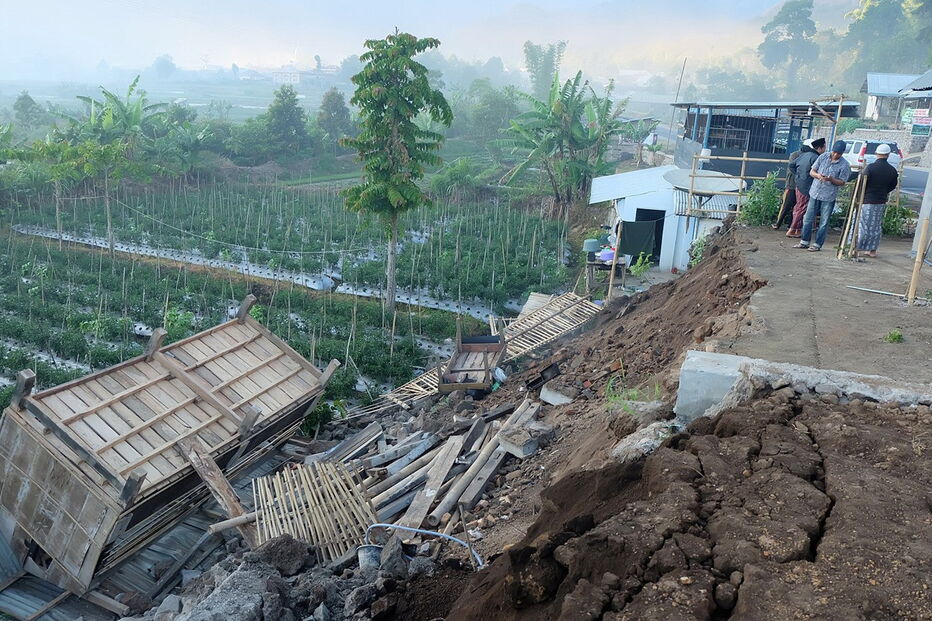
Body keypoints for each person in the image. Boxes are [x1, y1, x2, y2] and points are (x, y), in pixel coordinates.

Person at [794, 140, 851, 252]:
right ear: (832, 149)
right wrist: (819, 176)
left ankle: (817, 244)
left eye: (838, 153)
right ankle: (804, 241)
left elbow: (842, 182)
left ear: (842, 153)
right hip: (815, 192)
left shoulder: (844, 165)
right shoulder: (823, 157)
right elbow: (812, 171)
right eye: (834, 152)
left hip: (828, 196)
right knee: (807, 218)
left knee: (824, 222)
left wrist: (831, 179)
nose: (835, 155)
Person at [855, 143, 899, 257]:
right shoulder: (892, 170)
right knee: (876, 226)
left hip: (867, 200)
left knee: (863, 225)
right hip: (881, 200)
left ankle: (858, 247)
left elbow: (861, 183)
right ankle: (872, 250)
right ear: (888, 155)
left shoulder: (870, 168)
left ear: (876, 154)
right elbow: (892, 185)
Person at [786, 137, 825, 237]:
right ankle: (792, 229)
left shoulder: (805, 155)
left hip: (799, 184)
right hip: (807, 185)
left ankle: (796, 229)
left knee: (799, 207)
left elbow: (791, 165)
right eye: (824, 147)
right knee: (802, 207)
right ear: (820, 148)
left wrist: (798, 175)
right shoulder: (816, 158)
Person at [772, 144, 801, 231]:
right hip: (794, 184)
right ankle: (782, 224)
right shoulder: (797, 155)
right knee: (790, 206)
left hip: (794, 184)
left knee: (789, 206)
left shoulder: (795, 155)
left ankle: (784, 224)